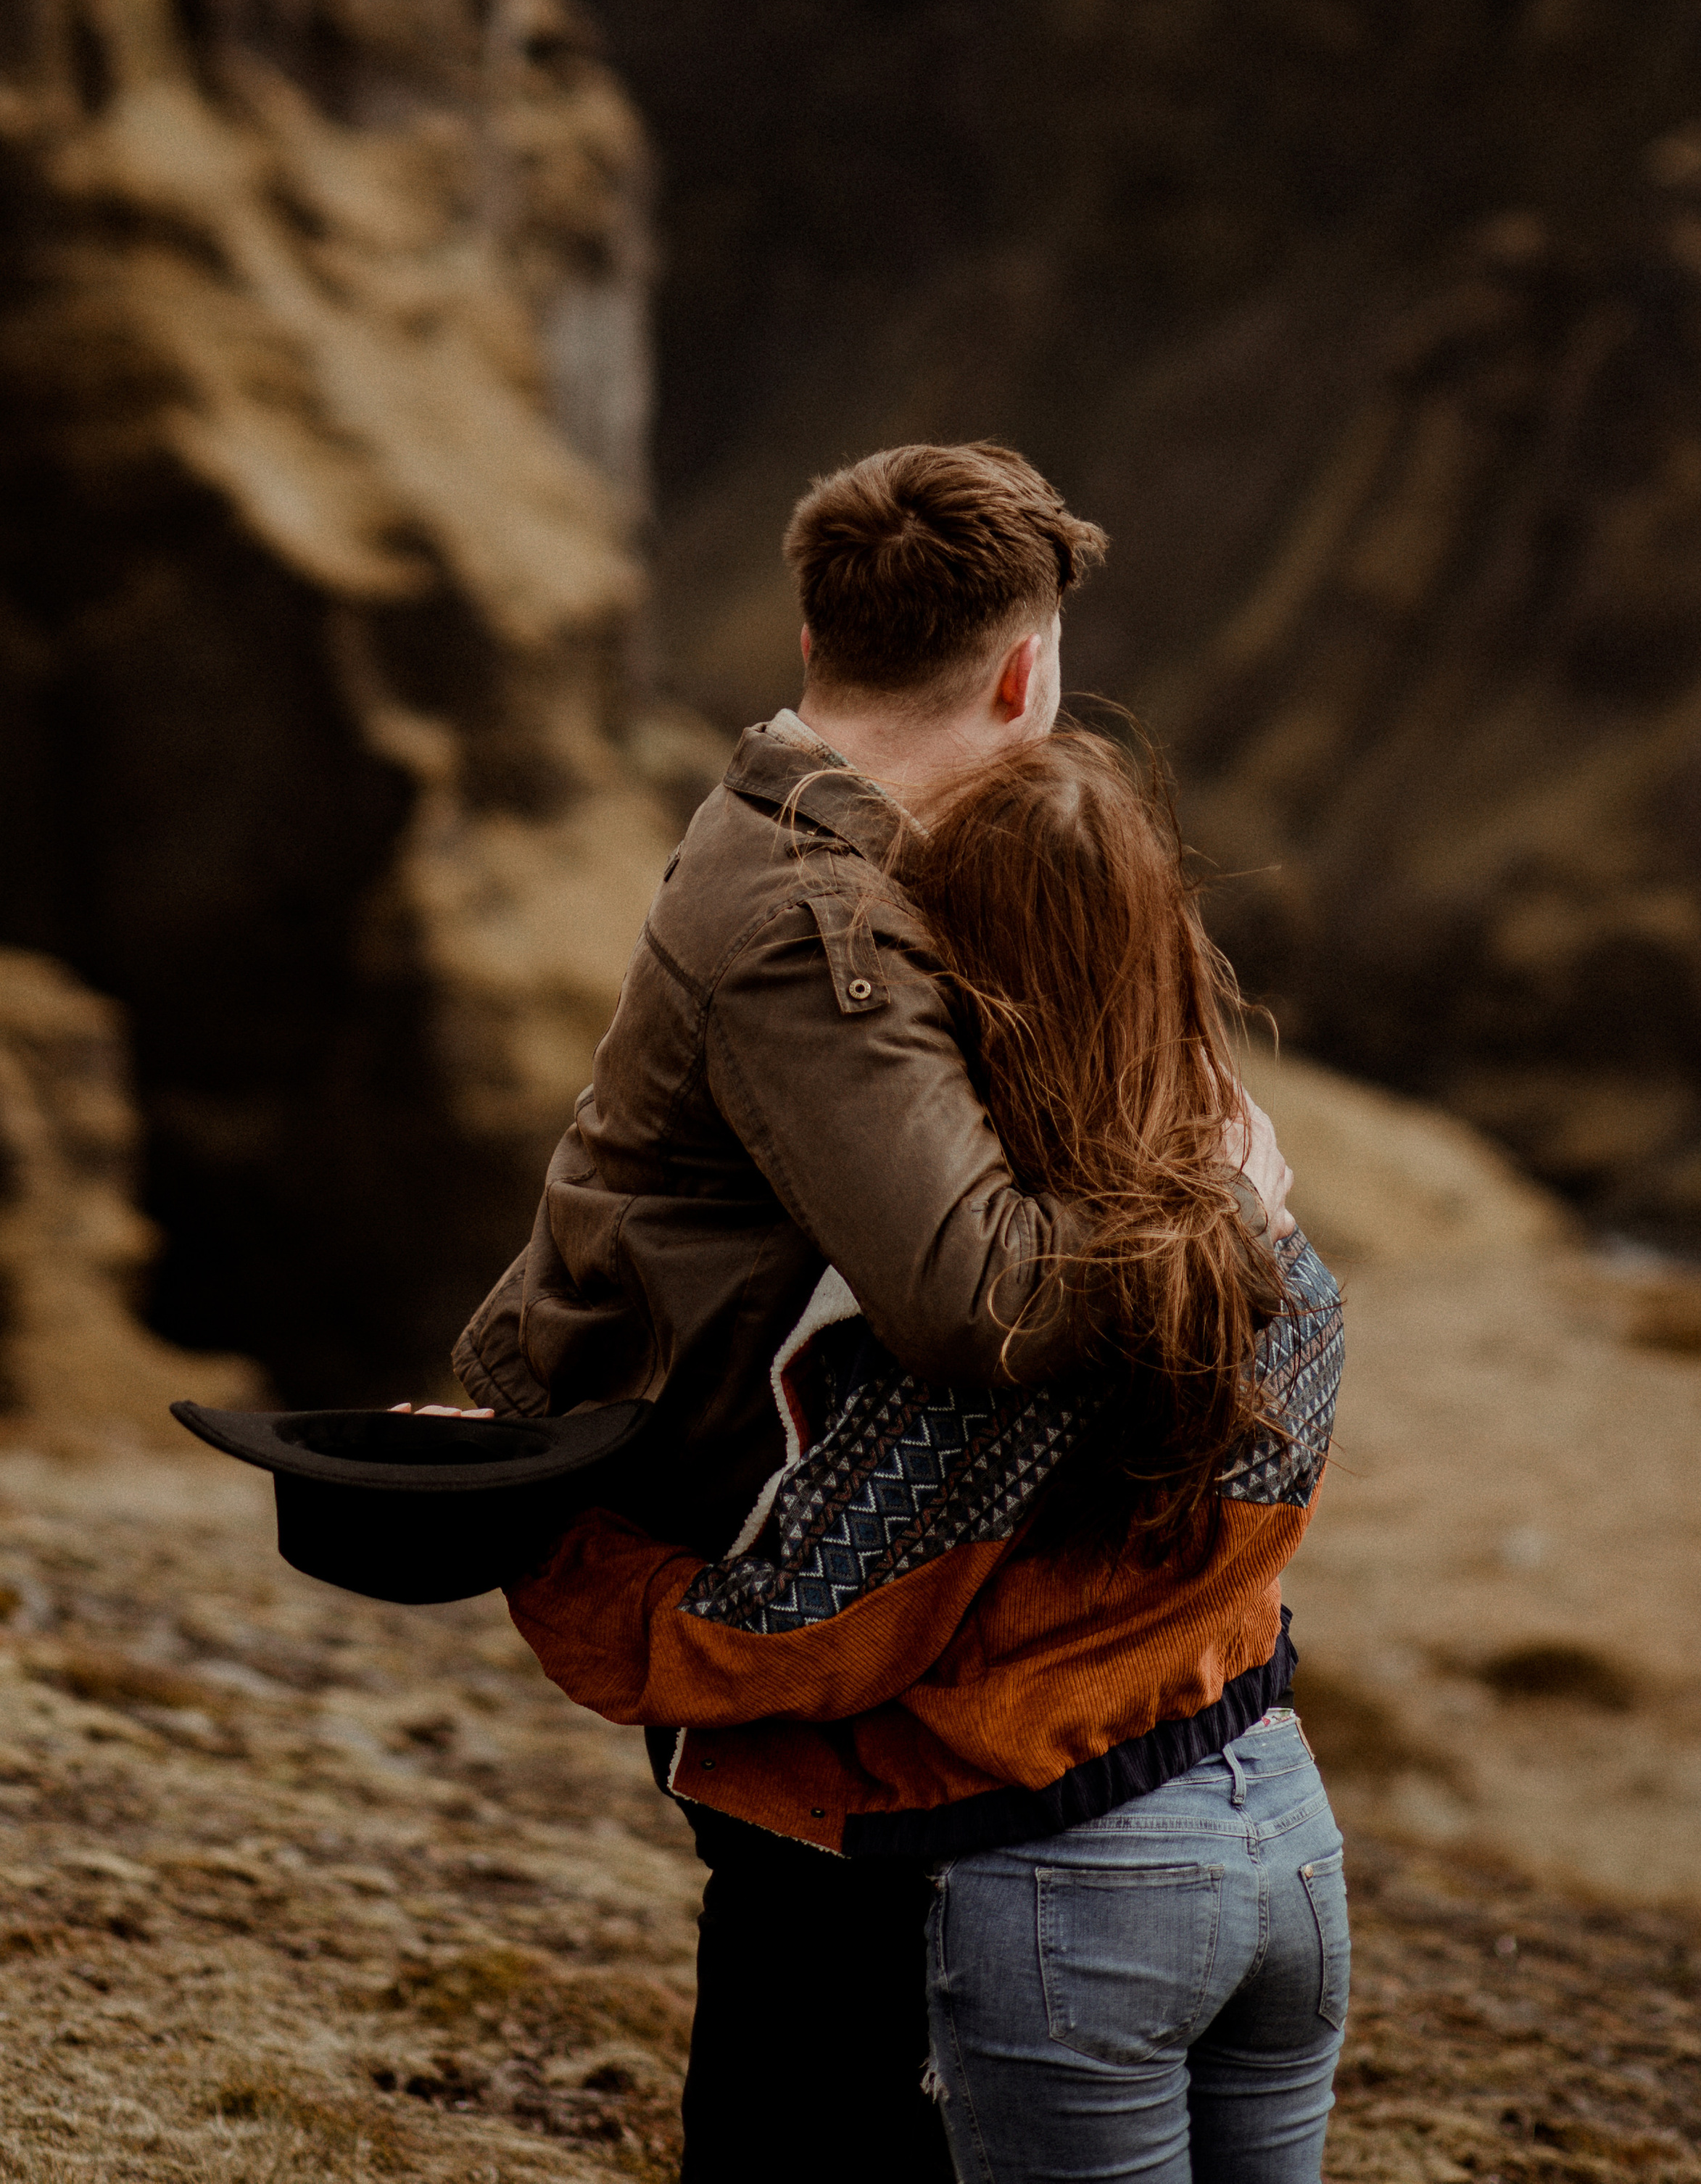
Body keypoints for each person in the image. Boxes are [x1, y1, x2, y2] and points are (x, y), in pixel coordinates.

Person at [445, 443, 1302, 2180]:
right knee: (806, 2079)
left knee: (841, 2062)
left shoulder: (818, 832)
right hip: (760, 1586)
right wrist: (1227, 1219)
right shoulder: (804, 916)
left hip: (824, 1584)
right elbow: (976, 1299)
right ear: (1021, 667)